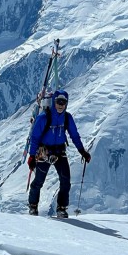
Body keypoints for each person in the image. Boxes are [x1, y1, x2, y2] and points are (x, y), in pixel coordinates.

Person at [27, 90, 91, 218]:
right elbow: (35, 138)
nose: (61, 105)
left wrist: (82, 151)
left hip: (59, 152)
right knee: (39, 181)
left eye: (63, 102)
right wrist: (32, 156)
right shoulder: (43, 118)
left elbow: (74, 135)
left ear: (66, 103)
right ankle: (33, 206)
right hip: (44, 152)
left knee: (65, 180)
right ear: (53, 102)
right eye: (58, 102)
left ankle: (61, 208)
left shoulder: (67, 118)